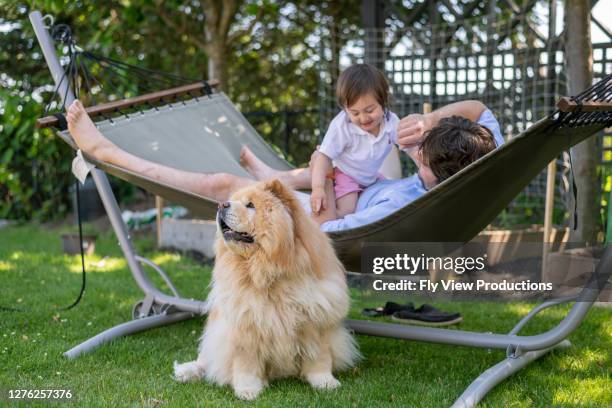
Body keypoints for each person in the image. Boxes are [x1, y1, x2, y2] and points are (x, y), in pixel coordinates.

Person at [65, 98, 503, 232]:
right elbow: (480, 109)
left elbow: (333, 234)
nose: (414, 153)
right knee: (318, 162)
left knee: (224, 184)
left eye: (420, 157)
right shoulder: (485, 153)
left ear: (437, 175)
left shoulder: (403, 210)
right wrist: (427, 122)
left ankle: (107, 153)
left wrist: (323, 192)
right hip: (345, 190)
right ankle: (273, 172)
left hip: (319, 216)